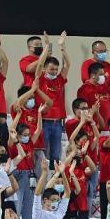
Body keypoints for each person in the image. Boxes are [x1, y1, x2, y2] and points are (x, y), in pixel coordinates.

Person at [37, 32, 70, 164]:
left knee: (56, 155)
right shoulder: (40, 79)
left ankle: (55, 176)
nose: (54, 72)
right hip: (44, 122)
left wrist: (62, 47)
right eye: (51, 69)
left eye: (56, 69)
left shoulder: (59, 80)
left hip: (57, 124)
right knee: (43, 154)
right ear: (45, 69)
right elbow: (39, 64)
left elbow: (67, 65)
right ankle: (43, 176)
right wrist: (46, 46)